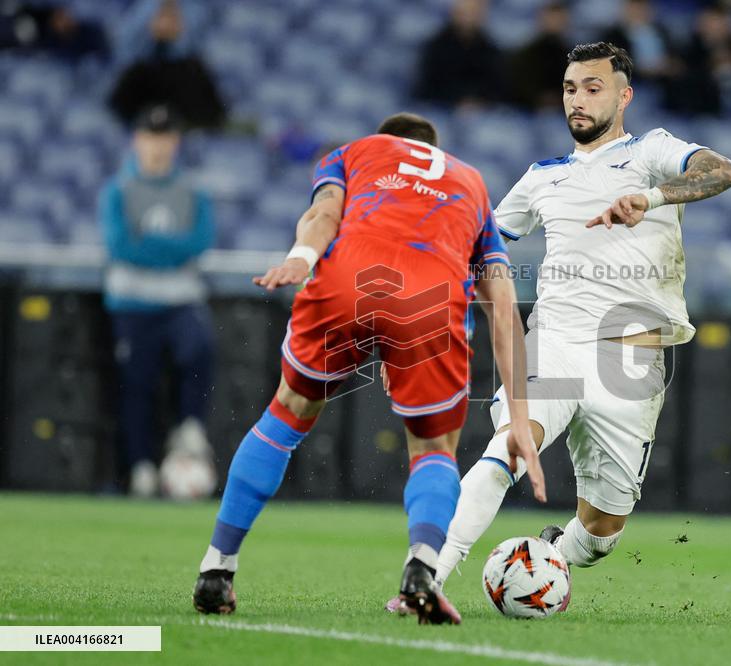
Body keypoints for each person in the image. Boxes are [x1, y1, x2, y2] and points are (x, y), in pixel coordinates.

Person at [390, 42, 731, 607]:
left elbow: (721, 171)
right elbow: (478, 246)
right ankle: (425, 575)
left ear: (624, 96)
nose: (578, 100)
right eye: (570, 88)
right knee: (511, 444)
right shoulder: (540, 177)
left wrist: (647, 200)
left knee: (602, 533)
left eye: (593, 88)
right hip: (556, 341)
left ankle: (555, 551)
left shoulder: (652, 152)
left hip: (631, 357)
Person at [191, 112, 545, 626]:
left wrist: (301, 257)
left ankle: (217, 567)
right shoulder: (470, 183)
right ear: (435, 151)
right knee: (432, 449)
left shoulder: (355, 152)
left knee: (286, 414)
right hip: (430, 296)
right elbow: (502, 304)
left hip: (349, 275)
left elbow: (325, 215)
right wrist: (518, 418)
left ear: (387, 142)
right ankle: (422, 565)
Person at [99, 104, 216, 498]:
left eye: (166, 138)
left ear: (175, 142)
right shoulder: (117, 189)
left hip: (180, 299)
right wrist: (170, 251)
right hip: (132, 302)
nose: (159, 146)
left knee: (199, 347)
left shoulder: (193, 191)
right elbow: (118, 245)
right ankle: (140, 465)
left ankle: (189, 427)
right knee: (137, 383)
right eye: (151, 137)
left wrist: (147, 244)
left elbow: (199, 242)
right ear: (138, 140)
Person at [108, 0, 225, 130]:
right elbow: (119, 114)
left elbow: (210, 118)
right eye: (160, 18)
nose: (166, 25)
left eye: (173, 19)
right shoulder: (136, 71)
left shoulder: (195, 71)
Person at [413, 0, 505, 108]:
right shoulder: (436, 47)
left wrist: (478, 102)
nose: (469, 18)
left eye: (474, 12)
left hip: (481, 111)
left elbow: (497, 87)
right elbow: (428, 87)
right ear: (454, 13)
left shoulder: (491, 49)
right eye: (464, 12)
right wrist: (457, 101)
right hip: (441, 108)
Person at [507, 1, 572, 111]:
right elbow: (518, 84)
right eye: (551, 18)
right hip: (529, 111)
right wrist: (538, 99)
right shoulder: (526, 54)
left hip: (563, 111)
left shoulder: (573, 55)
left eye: (559, 19)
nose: (555, 23)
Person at [600, 0, 674, 84]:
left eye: (643, 9)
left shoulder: (661, 31)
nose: (639, 13)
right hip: (632, 83)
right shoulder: (614, 35)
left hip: (663, 82)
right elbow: (612, 63)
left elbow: (673, 55)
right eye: (635, 9)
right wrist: (640, 70)